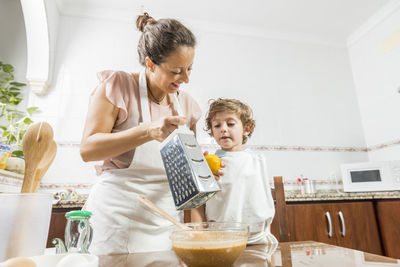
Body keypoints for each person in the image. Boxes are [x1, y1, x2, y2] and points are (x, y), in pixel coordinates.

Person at [80, 12, 211, 255]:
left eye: (190, 68)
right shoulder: (118, 85)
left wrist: (200, 226)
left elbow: (190, 182)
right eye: (176, 71)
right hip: (115, 220)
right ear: (150, 64)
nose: (186, 78)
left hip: (166, 223)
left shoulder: (188, 106)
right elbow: (88, 149)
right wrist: (147, 130)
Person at [191, 98, 277, 244]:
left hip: (258, 239)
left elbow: (264, 203)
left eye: (230, 124)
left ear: (246, 128)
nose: (223, 129)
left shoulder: (258, 161)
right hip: (221, 239)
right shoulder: (208, 165)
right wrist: (199, 238)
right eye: (217, 125)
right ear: (212, 132)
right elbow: (198, 205)